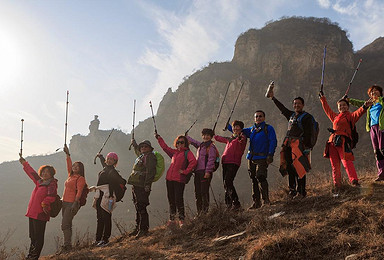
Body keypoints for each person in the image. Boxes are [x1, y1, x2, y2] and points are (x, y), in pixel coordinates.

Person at [319, 91, 371, 193]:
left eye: (344, 105)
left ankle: (354, 181)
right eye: (340, 106)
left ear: (348, 107)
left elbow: (359, 112)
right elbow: (327, 110)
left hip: (342, 142)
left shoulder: (350, 116)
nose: (342, 107)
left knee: (346, 161)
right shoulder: (335, 117)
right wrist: (322, 99)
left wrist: (365, 106)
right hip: (332, 142)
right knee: (335, 165)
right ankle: (337, 186)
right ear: (338, 108)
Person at [269, 91, 316, 198]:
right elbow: (282, 109)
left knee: (300, 168)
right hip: (288, 145)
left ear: (303, 105)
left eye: (299, 103)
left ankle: (301, 191)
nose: (296, 105)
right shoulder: (291, 115)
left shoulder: (306, 117)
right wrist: (273, 98)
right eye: (295, 103)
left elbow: (309, 133)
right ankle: (292, 190)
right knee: (290, 167)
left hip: (300, 146)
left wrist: (308, 147)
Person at [19, 154, 58, 260]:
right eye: (43, 172)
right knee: (32, 236)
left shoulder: (52, 183)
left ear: (51, 174)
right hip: (32, 212)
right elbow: (32, 174)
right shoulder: (40, 182)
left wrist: (45, 203)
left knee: (39, 236)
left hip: (41, 213)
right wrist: (24, 163)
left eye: (47, 172)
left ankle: (35, 256)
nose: (45, 173)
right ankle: (30, 255)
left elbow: (52, 196)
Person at [155, 134, 197, 227]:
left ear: (185, 143)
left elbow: (193, 162)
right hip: (169, 179)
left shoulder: (187, 153)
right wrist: (159, 138)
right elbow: (165, 148)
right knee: (171, 199)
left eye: (182, 142)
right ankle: (172, 219)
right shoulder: (174, 152)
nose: (179, 144)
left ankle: (182, 220)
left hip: (179, 179)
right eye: (178, 142)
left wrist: (185, 172)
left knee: (178, 199)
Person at [348, 85, 384, 181]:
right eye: (372, 92)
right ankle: (381, 173)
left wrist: (378, 99)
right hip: (372, 128)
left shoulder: (382, 101)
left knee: (383, 149)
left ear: (380, 93)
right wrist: (349, 100)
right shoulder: (370, 104)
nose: (374, 93)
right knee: (377, 152)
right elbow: (360, 104)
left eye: (376, 91)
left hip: (382, 127)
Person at [241, 112, 277, 208]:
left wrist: (270, 154)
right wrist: (228, 126)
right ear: (254, 118)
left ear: (264, 117)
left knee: (260, 177)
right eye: (256, 116)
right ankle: (256, 202)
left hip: (262, 157)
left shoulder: (268, 128)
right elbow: (237, 130)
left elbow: (273, 141)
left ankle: (266, 200)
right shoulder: (251, 129)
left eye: (260, 116)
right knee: (253, 179)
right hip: (251, 157)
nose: (258, 118)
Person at [215, 120, 247, 210]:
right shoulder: (230, 139)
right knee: (226, 183)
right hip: (225, 162)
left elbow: (242, 141)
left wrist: (239, 136)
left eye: (238, 127)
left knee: (228, 181)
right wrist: (213, 135)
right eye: (234, 127)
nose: (235, 129)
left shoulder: (242, 137)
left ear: (241, 129)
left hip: (234, 162)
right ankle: (229, 205)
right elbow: (219, 138)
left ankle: (236, 203)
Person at [60, 144, 87, 251]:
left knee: (65, 224)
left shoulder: (80, 178)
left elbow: (79, 191)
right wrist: (67, 154)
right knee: (68, 224)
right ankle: (67, 245)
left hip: (72, 203)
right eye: (74, 166)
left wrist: (75, 203)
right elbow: (68, 165)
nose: (74, 167)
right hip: (64, 202)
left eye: (77, 166)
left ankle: (67, 245)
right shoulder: (71, 176)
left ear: (81, 169)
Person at [128, 140, 157, 237]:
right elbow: (137, 151)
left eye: (145, 146)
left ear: (150, 148)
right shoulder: (142, 156)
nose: (143, 148)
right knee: (137, 206)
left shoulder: (150, 157)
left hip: (142, 185)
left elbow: (151, 172)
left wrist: (147, 185)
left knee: (141, 206)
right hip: (136, 184)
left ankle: (143, 229)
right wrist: (135, 144)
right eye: (142, 147)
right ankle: (138, 228)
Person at [91, 152, 121, 247]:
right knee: (99, 218)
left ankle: (105, 239)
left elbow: (121, 180)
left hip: (108, 196)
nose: (109, 160)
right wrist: (100, 156)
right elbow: (104, 164)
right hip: (100, 194)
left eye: (111, 159)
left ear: (115, 162)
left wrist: (111, 189)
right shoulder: (106, 169)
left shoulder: (113, 172)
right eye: (108, 159)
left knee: (106, 217)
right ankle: (98, 239)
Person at [186, 128, 218, 215]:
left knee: (204, 192)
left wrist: (208, 172)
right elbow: (194, 142)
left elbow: (211, 160)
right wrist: (187, 137)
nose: (205, 137)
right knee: (197, 192)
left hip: (205, 172)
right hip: (197, 172)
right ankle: (199, 213)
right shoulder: (202, 146)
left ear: (211, 137)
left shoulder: (211, 147)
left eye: (208, 135)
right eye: (204, 135)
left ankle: (205, 212)